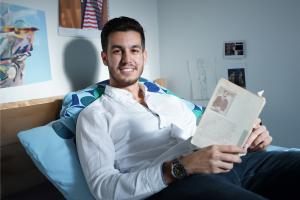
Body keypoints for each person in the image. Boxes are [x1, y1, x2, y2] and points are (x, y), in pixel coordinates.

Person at [76, 16, 300, 200]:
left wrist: (248, 142)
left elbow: (204, 139)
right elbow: (104, 189)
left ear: (144, 55)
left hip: (227, 166)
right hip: (174, 184)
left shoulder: (169, 100)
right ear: (105, 57)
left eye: (134, 50)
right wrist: (180, 167)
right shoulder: (94, 116)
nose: (127, 59)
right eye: (117, 51)